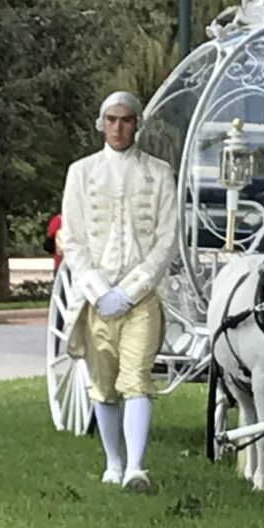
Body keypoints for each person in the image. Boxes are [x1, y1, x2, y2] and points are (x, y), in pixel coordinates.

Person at [62, 91, 178, 491]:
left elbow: (167, 239)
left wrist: (131, 289)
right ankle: (113, 461)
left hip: (140, 296)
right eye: (111, 119)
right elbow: (72, 239)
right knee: (105, 381)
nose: (117, 127)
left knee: (137, 377)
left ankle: (136, 467)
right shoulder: (81, 172)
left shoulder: (159, 173)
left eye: (126, 119)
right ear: (101, 123)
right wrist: (96, 289)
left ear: (137, 124)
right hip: (98, 296)